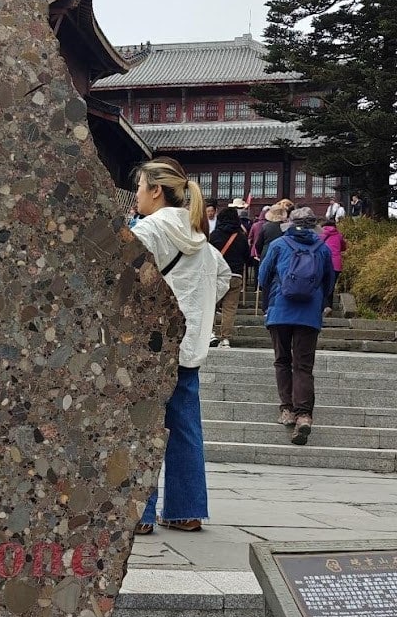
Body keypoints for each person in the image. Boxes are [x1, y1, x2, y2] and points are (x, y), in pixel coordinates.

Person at [128, 160, 232, 533]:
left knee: (143, 428)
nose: (137, 194)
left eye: (140, 186)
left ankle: (139, 514)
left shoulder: (148, 230)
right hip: (188, 348)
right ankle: (186, 511)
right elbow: (223, 277)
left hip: (150, 347)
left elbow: (122, 279)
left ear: (156, 190)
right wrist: (196, 307)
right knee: (186, 428)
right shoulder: (198, 236)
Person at [258, 205, 335, 445]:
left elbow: (262, 277)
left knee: (282, 360)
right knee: (303, 365)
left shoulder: (278, 245)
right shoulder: (322, 249)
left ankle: (287, 410)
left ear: (290, 223)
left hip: (280, 310)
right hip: (309, 315)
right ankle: (304, 415)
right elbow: (329, 282)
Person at [210, 205, 250, 347]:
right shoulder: (241, 237)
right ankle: (225, 338)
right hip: (235, 275)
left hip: (217, 274)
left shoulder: (214, 235)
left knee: (211, 305)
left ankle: (210, 333)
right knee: (229, 308)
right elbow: (247, 256)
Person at [318, 214, 347, 316]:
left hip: (324, 263)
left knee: (321, 284)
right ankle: (329, 306)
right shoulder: (338, 235)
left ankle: (324, 307)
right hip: (336, 264)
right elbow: (344, 247)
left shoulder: (321, 234)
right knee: (331, 286)